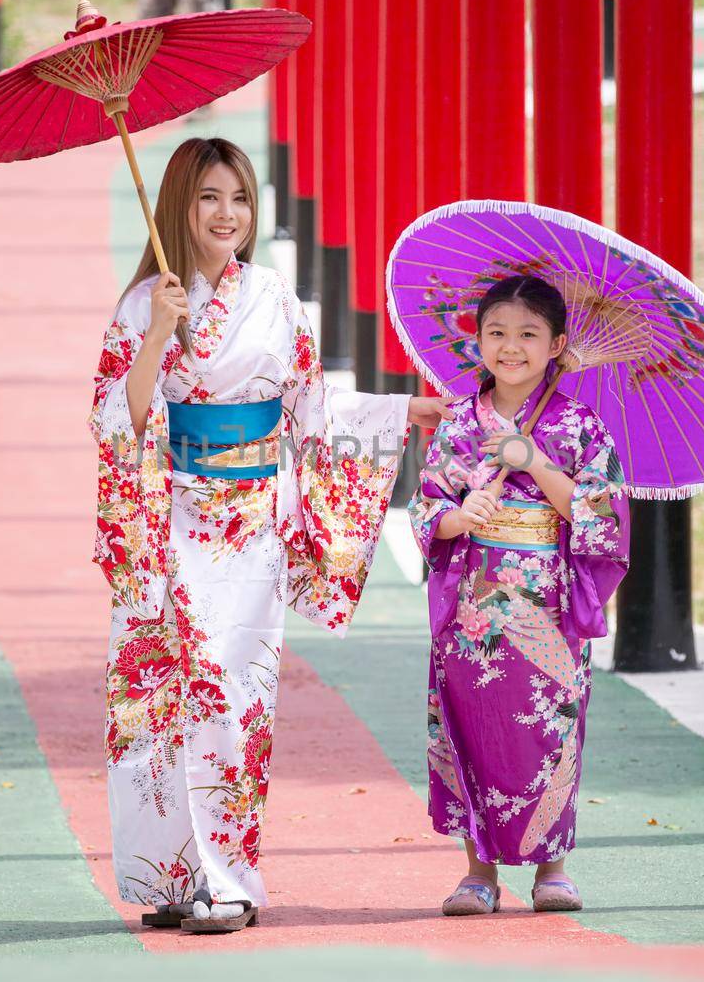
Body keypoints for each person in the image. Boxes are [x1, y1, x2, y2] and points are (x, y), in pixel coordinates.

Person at [91, 137, 447, 933]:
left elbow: (314, 416)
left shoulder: (277, 299)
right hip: (168, 514)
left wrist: (399, 412)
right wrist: (156, 333)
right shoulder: (145, 301)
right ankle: (174, 875)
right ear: (178, 204)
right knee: (158, 695)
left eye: (241, 198)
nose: (228, 215)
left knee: (229, 691)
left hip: (250, 522)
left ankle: (231, 881)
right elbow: (119, 423)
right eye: (210, 197)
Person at [407, 275, 630, 917]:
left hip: (547, 602)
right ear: (477, 341)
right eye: (497, 333)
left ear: (557, 344)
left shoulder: (579, 425)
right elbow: (428, 509)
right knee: (471, 728)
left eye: (529, 335)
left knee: (551, 728)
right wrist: (460, 516)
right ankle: (478, 871)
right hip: (475, 598)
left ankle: (551, 867)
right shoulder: (458, 424)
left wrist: (534, 462)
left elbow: (602, 513)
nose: (511, 347)